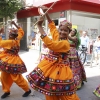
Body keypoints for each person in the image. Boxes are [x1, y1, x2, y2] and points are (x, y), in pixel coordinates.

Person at [26, 6, 80, 100]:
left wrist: (39, 26)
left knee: (67, 96)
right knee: (50, 93)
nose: (62, 32)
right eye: (61, 30)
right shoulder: (58, 36)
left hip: (62, 72)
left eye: (65, 31)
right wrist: (46, 14)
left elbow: (50, 44)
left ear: (69, 32)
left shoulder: (65, 43)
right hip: (51, 69)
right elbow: (52, 26)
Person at [0, 21, 31, 99]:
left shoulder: (10, 42)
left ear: (14, 35)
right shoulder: (18, 38)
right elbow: (21, 32)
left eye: (12, 34)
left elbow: (0, 43)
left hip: (14, 61)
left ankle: (27, 90)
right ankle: (6, 91)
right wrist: (15, 24)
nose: (10, 34)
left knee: (17, 78)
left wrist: (0, 32)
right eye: (10, 33)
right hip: (7, 60)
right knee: (3, 77)